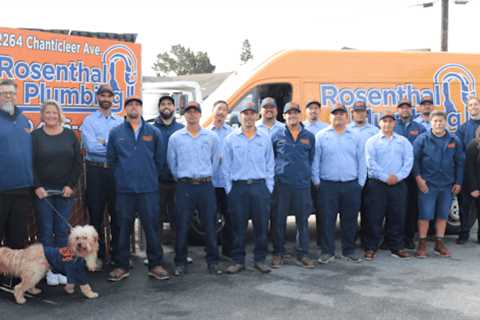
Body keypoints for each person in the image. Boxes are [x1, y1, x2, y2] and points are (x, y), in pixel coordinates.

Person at [107, 96, 169, 281]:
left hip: (148, 189)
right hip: (125, 190)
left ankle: (155, 264)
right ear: (125, 110)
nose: (134, 107)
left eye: (137, 105)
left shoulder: (153, 132)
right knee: (122, 227)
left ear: (141, 109)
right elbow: (111, 160)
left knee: (151, 228)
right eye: (130, 105)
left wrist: (148, 175)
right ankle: (121, 266)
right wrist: (122, 177)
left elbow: (159, 160)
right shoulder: (116, 132)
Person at [167, 101, 222, 276]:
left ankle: (213, 262)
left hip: (205, 186)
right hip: (185, 186)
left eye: (195, 111)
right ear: (184, 115)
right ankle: (180, 262)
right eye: (188, 112)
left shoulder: (211, 137)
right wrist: (183, 178)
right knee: (182, 226)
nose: (192, 115)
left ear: (200, 114)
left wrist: (206, 176)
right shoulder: (175, 138)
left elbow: (216, 161)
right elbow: (172, 163)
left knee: (210, 225)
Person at [32, 100, 81, 286]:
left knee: (62, 232)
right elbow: (30, 164)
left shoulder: (70, 135)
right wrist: (37, 186)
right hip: (43, 192)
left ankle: (63, 268)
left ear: (59, 115)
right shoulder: (35, 136)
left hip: (65, 192)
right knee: (45, 232)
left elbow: (77, 163)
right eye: (47, 113)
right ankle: (50, 269)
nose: (51, 116)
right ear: (43, 115)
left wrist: (70, 185)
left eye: (54, 113)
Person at [223, 102, 274, 274]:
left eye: (252, 113)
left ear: (256, 116)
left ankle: (260, 260)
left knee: (261, 227)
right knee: (238, 227)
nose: (249, 117)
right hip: (239, 189)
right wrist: (230, 189)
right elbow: (226, 167)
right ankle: (238, 261)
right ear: (241, 116)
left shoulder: (264, 138)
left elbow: (270, 164)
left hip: (260, 188)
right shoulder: (231, 139)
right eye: (246, 113)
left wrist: (269, 187)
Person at [312, 103, 366, 264]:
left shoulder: (355, 136)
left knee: (349, 220)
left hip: (351, 184)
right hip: (328, 185)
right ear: (329, 117)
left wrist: (360, 182)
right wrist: (316, 180)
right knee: (327, 219)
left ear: (347, 117)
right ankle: (327, 252)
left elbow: (362, 160)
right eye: (335, 113)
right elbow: (316, 160)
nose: (338, 116)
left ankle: (349, 250)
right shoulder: (321, 136)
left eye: (342, 113)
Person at [80, 84, 123, 269]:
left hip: (114, 171)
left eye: (109, 95)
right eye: (102, 95)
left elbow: (122, 148)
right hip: (95, 171)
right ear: (98, 98)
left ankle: (115, 255)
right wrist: (110, 145)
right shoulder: (89, 121)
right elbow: (90, 148)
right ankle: (95, 256)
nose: (106, 98)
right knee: (95, 215)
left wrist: (103, 143)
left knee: (117, 214)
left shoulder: (121, 122)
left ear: (113, 99)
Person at [271, 102, 316, 269]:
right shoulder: (276, 136)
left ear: (300, 115)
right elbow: (271, 159)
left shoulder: (309, 136)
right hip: (281, 186)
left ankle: (303, 254)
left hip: (302, 186)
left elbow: (311, 159)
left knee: (302, 222)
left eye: (295, 113)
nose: (292, 116)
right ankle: (278, 253)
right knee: (279, 221)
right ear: (283, 116)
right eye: (289, 113)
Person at [413, 111, 464, 258]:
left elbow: (460, 162)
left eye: (441, 121)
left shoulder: (454, 140)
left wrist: (459, 182)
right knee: (425, 215)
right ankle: (422, 244)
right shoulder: (422, 139)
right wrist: (418, 178)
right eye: (435, 121)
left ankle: (439, 243)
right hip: (427, 184)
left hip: (447, 185)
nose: (438, 124)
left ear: (446, 122)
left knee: (442, 215)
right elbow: (414, 160)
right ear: (430, 122)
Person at [363, 112, 413, 260]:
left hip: (398, 184)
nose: (387, 124)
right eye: (384, 121)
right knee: (374, 216)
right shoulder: (372, 141)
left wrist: (397, 177)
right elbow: (370, 163)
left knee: (397, 216)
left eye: (390, 121)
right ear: (379, 123)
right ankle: (371, 247)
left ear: (395, 124)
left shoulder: (403, 142)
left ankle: (396, 247)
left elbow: (408, 162)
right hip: (377, 184)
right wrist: (386, 177)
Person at [0, 79, 33, 256]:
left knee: (18, 238)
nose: (8, 96)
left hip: (22, 189)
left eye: (11, 93)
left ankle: (14, 280)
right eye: (4, 93)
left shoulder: (24, 120)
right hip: (1, 190)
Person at [394, 98, 426, 249]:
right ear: (398, 110)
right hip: (396, 173)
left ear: (411, 110)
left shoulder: (419, 128)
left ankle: (408, 237)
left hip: (413, 174)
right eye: (402, 107)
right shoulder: (392, 126)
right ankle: (394, 238)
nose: (405, 110)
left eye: (407, 107)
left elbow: (425, 150)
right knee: (395, 207)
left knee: (411, 207)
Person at [347, 101, 379, 246]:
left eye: (362, 111)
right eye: (357, 111)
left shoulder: (374, 131)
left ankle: (367, 239)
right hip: (352, 174)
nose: (360, 113)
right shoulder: (346, 130)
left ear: (367, 113)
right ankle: (350, 238)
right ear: (352, 113)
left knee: (369, 210)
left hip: (370, 175)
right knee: (351, 209)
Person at [152, 95, 184, 237]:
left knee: (178, 219)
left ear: (174, 108)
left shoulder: (182, 129)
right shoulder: (151, 129)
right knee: (155, 219)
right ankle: (155, 256)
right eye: (163, 104)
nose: (166, 106)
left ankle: (180, 256)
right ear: (159, 108)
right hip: (157, 183)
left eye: (169, 104)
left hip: (178, 182)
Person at [209, 100, 233, 256]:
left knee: (229, 217)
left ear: (227, 114)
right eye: (218, 109)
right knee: (210, 218)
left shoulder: (232, 133)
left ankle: (228, 250)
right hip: (209, 183)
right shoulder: (205, 132)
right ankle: (211, 250)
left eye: (224, 110)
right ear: (213, 111)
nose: (221, 112)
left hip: (226, 183)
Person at [456, 96, 480, 244]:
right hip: (468, 173)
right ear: (467, 108)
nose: (473, 107)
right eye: (470, 105)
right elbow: (459, 151)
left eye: (476, 104)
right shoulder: (463, 128)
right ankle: (464, 234)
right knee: (465, 207)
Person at [464, 127, 480, 243]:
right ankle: (464, 235)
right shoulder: (473, 146)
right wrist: (474, 188)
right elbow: (469, 169)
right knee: (468, 211)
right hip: (473, 185)